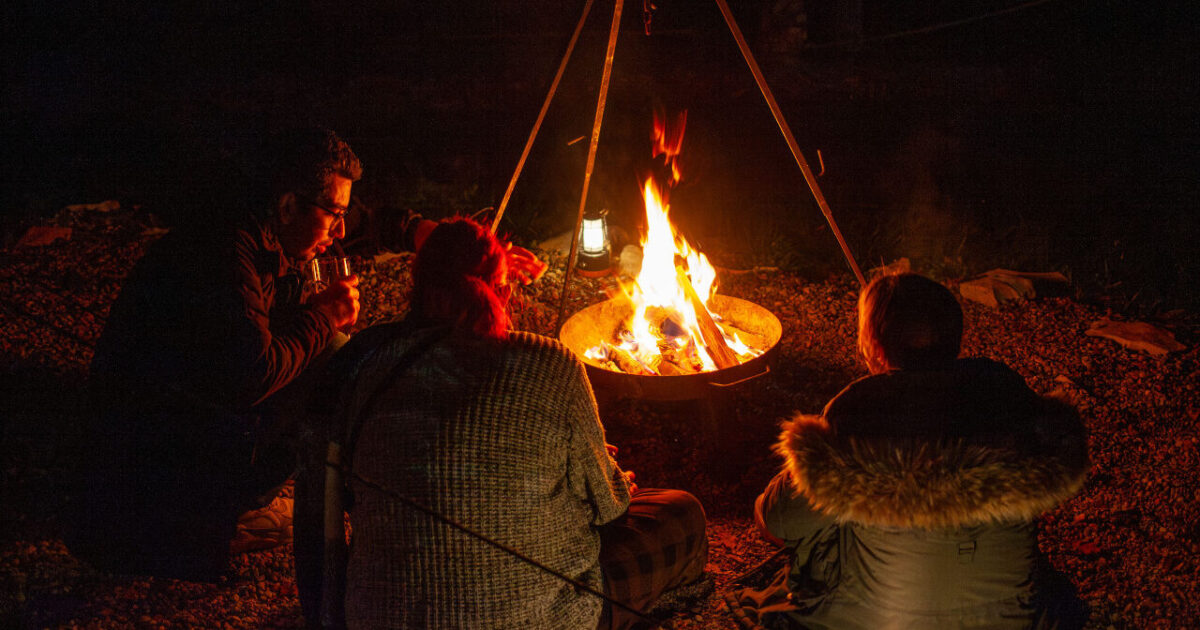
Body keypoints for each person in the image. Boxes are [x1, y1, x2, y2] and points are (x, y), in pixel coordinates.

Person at [313, 217, 708, 629]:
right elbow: (610, 507)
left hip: (380, 616)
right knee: (680, 513)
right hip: (536, 617)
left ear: (418, 286)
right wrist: (602, 477)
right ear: (500, 289)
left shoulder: (371, 367)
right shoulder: (549, 362)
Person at [69, 128, 370, 580]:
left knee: (326, 350)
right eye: (334, 214)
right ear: (288, 205)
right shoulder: (227, 251)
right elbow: (251, 372)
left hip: (176, 425)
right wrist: (322, 318)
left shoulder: (256, 232)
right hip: (145, 467)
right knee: (334, 358)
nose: (341, 229)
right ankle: (228, 511)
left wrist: (414, 229)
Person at [729, 272, 1089, 630]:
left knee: (822, 528)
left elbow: (777, 522)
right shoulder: (1006, 399)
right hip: (1013, 621)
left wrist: (791, 479)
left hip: (871, 622)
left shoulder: (856, 414)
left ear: (874, 345)